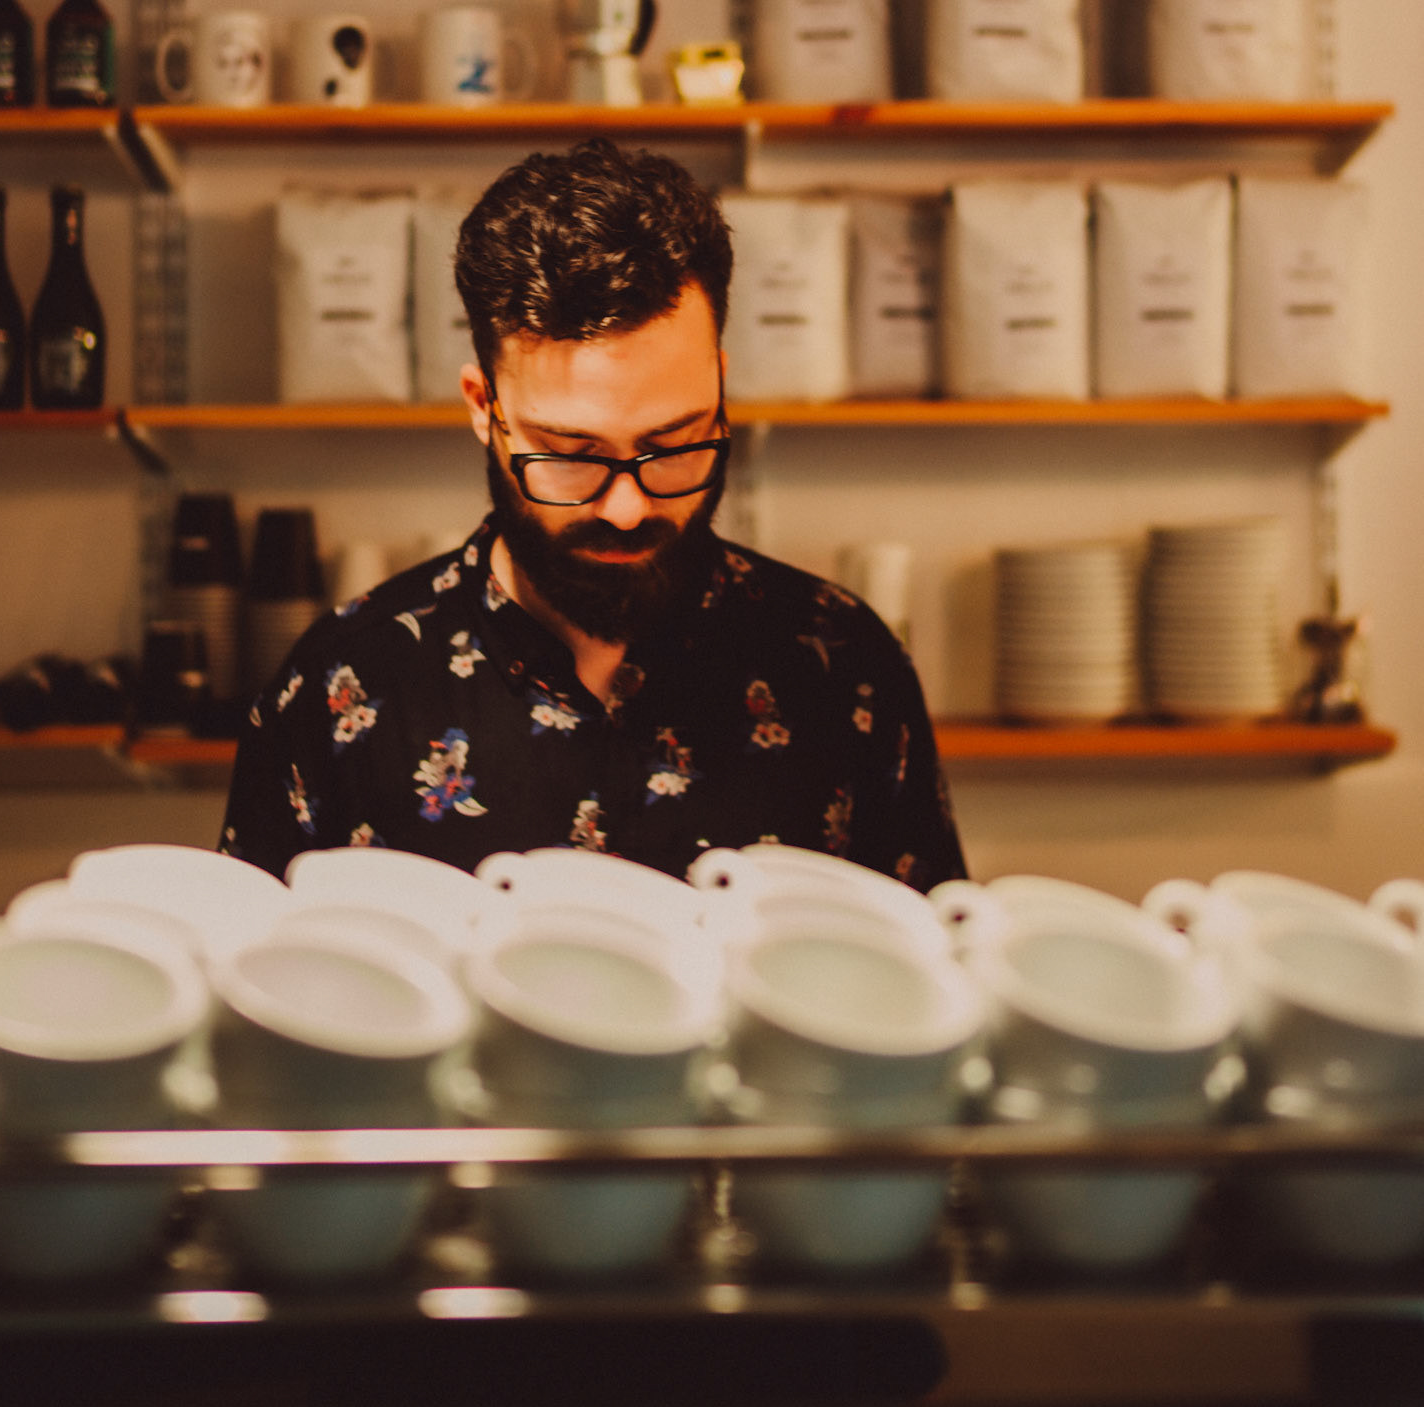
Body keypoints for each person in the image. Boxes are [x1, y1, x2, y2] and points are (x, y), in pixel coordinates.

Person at [220, 139, 965, 889]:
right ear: (485, 408)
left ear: (721, 387)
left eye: (673, 443)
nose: (627, 504)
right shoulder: (338, 687)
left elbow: (929, 981)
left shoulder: (844, 668)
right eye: (572, 453)